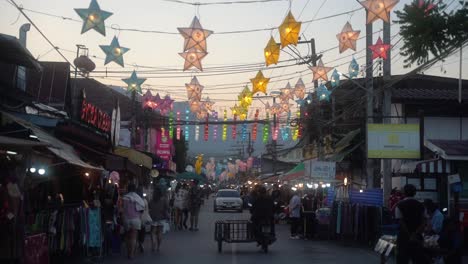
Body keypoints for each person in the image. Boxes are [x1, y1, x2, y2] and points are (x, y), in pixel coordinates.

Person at [395, 184, 430, 264]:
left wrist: (409, 235)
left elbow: (401, 222)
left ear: (404, 193)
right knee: (418, 259)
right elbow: (424, 222)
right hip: (417, 238)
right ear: (415, 193)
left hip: (404, 238)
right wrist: (415, 233)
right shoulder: (421, 205)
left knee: (402, 260)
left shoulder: (399, 205)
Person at [121, 183, 145, 259]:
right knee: (133, 237)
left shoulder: (124, 198)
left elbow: (121, 209)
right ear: (135, 189)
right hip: (135, 219)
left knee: (127, 236)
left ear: (128, 189)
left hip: (126, 219)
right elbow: (142, 209)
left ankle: (128, 251)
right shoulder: (138, 198)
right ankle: (131, 254)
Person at [148, 185, 170, 252]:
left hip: (153, 217)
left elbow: (149, 208)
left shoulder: (151, 200)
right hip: (161, 217)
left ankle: (153, 245)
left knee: (153, 232)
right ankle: (158, 247)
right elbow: (167, 208)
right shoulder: (163, 200)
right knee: (160, 232)